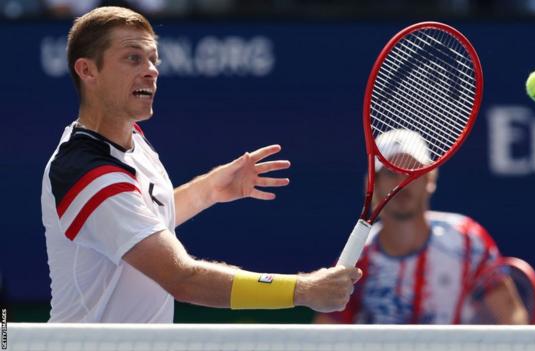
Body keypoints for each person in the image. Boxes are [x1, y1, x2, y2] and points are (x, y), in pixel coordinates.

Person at [41, 6, 361, 323]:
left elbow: (144, 221)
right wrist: (303, 290)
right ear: (87, 71)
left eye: (154, 59)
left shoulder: (133, 140)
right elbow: (183, 279)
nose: (151, 70)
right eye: (133, 58)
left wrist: (211, 189)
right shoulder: (87, 173)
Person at [315, 130, 528, 324]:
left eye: (412, 171)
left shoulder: (467, 241)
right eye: (390, 173)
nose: (402, 182)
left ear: (430, 179)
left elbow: (512, 320)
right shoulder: (359, 259)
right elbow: (323, 335)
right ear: (372, 183)